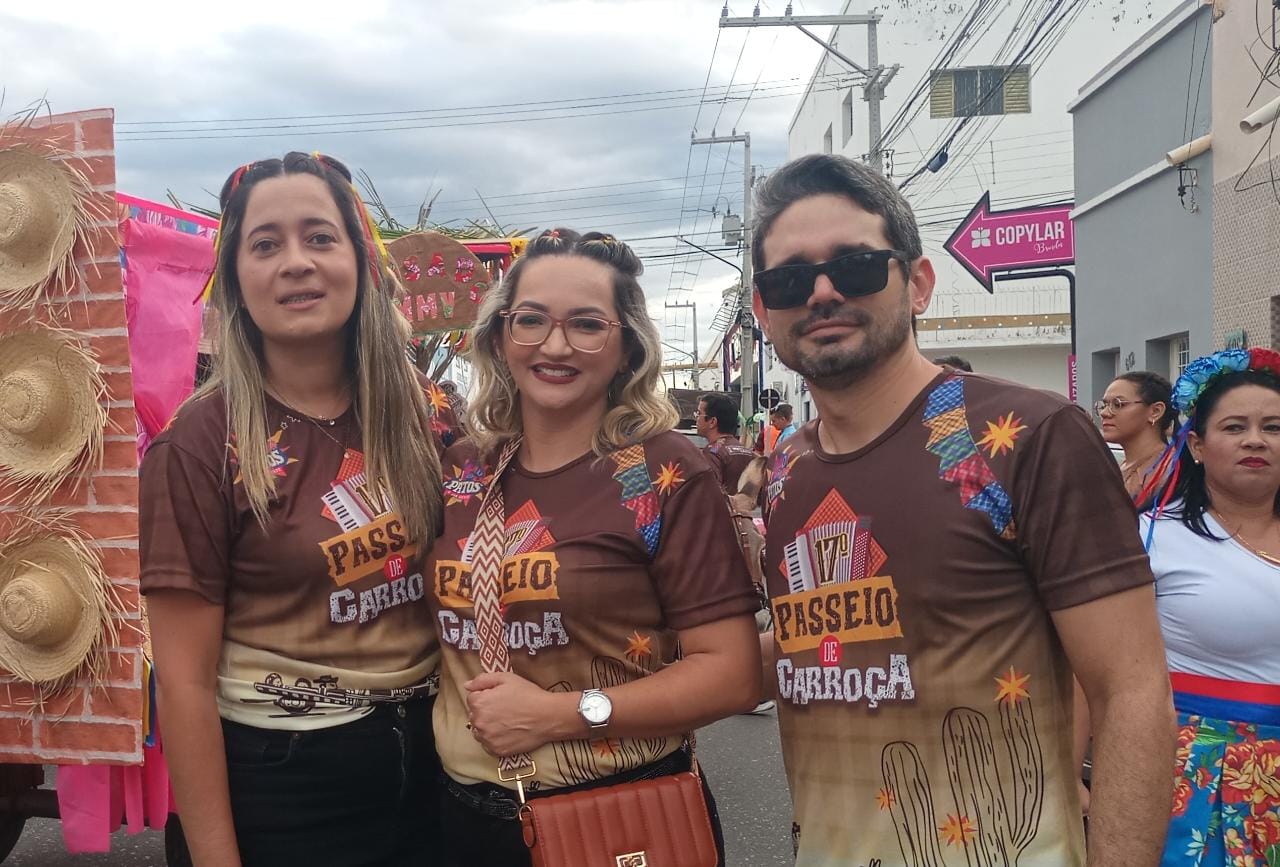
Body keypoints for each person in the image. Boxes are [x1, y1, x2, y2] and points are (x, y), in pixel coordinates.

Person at [750, 153, 1175, 866]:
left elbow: (1132, 690)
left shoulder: (1033, 436)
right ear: (765, 311)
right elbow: (806, 650)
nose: (821, 292)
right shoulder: (790, 468)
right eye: (790, 279)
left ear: (917, 284)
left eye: (854, 265)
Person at [139, 152, 456, 866]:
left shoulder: (427, 417)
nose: (295, 262)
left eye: (319, 237)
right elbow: (183, 682)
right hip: (281, 788)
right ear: (235, 279)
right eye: (265, 244)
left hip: (439, 765)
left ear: (359, 260)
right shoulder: (198, 443)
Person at [426, 228, 762, 866]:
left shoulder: (665, 469)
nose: (555, 345)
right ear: (501, 336)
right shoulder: (465, 467)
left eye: (586, 324)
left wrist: (563, 714)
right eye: (531, 320)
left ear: (627, 345)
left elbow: (732, 673)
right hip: (461, 815)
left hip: (617, 810)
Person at [1139, 348, 1280, 867]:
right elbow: (1103, 669)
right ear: (1196, 445)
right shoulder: (1153, 539)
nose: (1256, 440)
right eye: (1235, 427)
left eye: (1274, 427)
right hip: (1198, 774)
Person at [1095, 371, 1177, 498]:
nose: (1104, 413)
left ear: (1155, 411)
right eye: (1104, 405)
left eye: (1118, 404)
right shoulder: (1118, 468)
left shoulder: (1169, 470)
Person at [697, 391, 755, 495]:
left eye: (699, 413)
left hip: (722, 510)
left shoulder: (713, 452)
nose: (696, 418)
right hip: (744, 510)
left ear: (712, 422)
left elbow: (710, 493)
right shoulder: (747, 452)